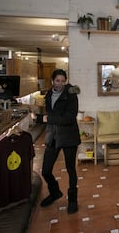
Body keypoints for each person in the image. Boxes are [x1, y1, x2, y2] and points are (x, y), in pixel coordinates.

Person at [40, 69, 81, 214]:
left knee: (71, 169)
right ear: (52, 81)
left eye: (63, 81)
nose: (60, 84)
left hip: (69, 136)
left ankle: (73, 200)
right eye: (57, 81)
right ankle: (55, 192)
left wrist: (49, 119)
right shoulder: (49, 93)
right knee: (45, 170)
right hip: (53, 135)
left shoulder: (71, 94)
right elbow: (49, 112)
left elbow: (70, 117)